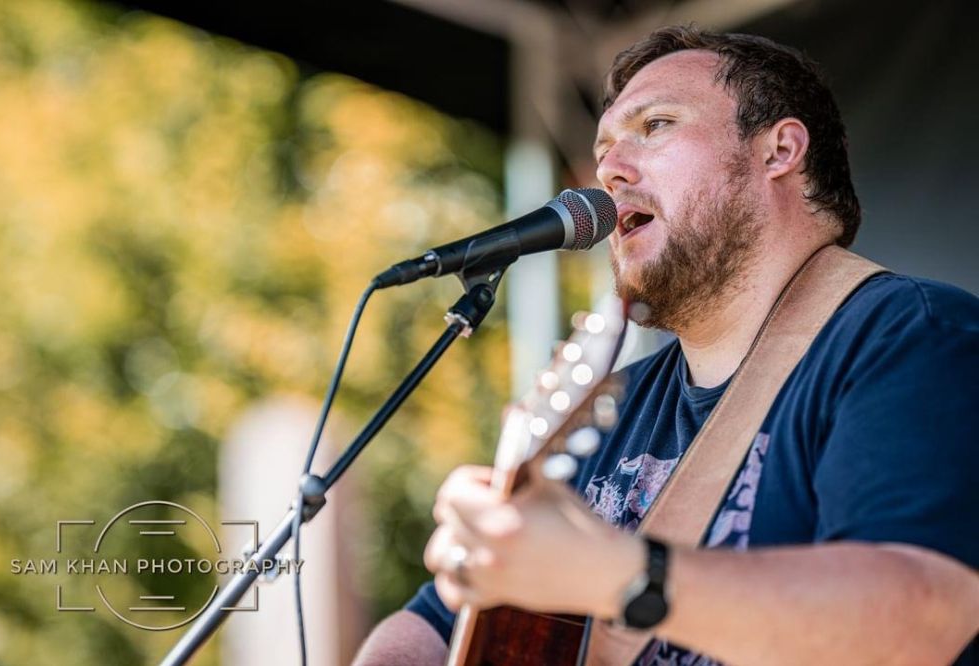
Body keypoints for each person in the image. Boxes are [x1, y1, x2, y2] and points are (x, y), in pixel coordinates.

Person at [353, 26, 979, 666]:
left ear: (780, 150)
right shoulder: (610, 403)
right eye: (602, 152)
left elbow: (923, 618)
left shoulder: (911, 337)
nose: (609, 172)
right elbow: (431, 627)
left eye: (654, 126)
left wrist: (616, 574)